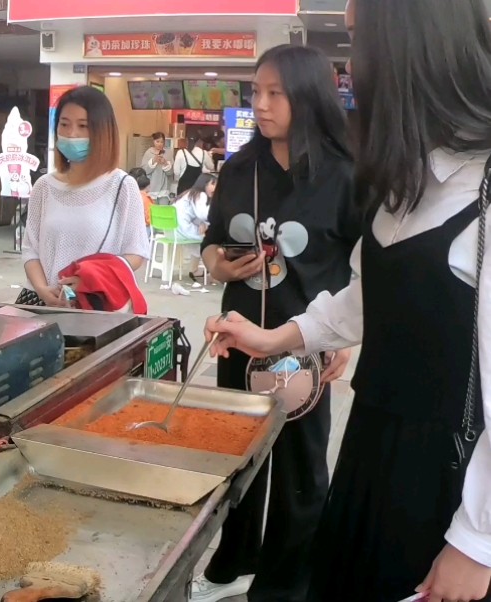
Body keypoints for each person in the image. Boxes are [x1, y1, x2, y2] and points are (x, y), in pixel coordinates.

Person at [204, 1, 491, 600]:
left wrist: (476, 541)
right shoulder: (404, 181)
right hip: (372, 446)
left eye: (358, 40)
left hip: (449, 480)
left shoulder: (481, 189)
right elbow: (372, 295)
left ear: (414, 47)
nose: (350, 65)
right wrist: (276, 338)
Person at [191, 44, 359, 602]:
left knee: (302, 469)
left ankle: (288, 582)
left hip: (306, 348)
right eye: (254, 91)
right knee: (237, 457)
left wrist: (347, 342)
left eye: (274, 93)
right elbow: (211, 245)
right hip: (239, 336)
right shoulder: (240, 168)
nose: (258, 105)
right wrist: (217, 262)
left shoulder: (346, 175)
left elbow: (363, 269)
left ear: (308, 97)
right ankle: (233, 561)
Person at [19, 86, 150, 307]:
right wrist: (42, 290)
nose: (71, 134)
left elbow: (136, 253)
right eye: (64, 124)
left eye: (83, 126)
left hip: (96, 307)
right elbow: (30, 249)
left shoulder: (122, 186)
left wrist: (90, 278)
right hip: (43, 308)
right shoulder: (44, 186)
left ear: (102, 131)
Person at [174, 173, 216, 283]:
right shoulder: (200, 195)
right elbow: (204, 214)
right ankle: (214, 274)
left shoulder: (189, 193)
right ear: (204, 184)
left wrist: (203, 222)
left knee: (201, 238)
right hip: (185, 230)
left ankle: (194, 269)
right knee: (215, 241)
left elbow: (197, 216)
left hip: (173, 230)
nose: (215, 188)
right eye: (212, 184)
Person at [141, 132, 174, 204]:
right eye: (157, 141)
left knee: (163, 212)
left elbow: (171, 173)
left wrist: (165, 163)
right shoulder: (148, 153)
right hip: (151, 188)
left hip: (164, 189)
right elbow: (144, 171)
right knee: (152, 212)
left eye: (162, 142)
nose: (159, 144)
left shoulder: (168, 153)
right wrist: (153, 161)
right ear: (153, 141)